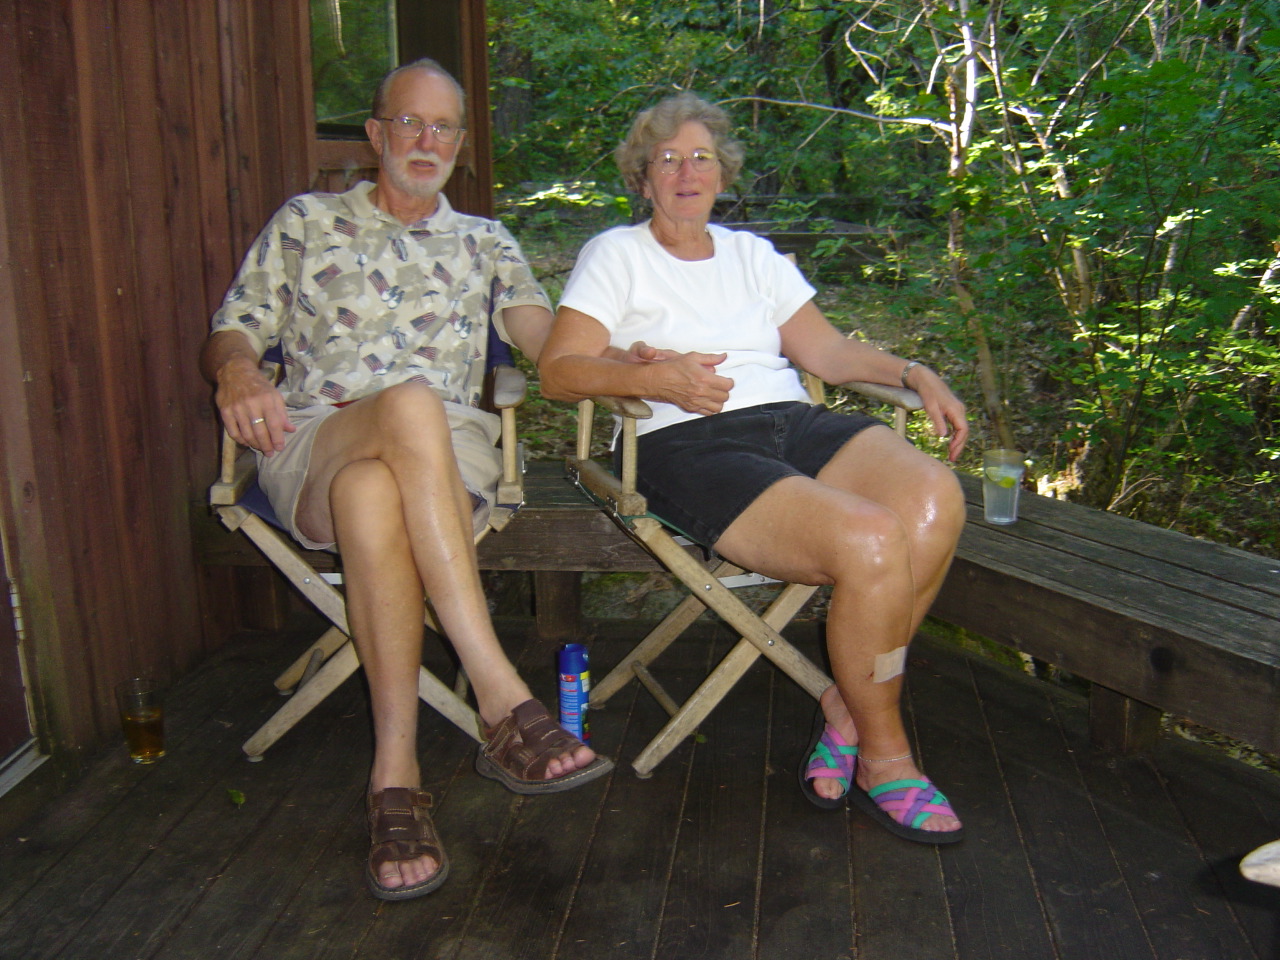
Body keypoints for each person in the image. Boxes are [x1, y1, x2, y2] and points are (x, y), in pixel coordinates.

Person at [200, 58, 611, 900]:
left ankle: (394, 779)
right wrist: (237, 373)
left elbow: (547, 341)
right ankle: (498, 691)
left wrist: (633, 359)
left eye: (445, 128)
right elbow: (234, 329)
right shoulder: (305, 222)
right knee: (404, 409)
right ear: (378, 134)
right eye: (411, 124)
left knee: (375, 489)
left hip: (443, 458)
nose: (428, 142)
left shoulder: (487, 243)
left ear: (461, 145)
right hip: (316, 437)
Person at [539, 92, 968, 843]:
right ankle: (886, 755)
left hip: (789, 421)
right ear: (642, 178)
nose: (685, 171)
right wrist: (653, 380)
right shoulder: (617, 255)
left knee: (935, 496)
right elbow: (558, 371)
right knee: (869, 539)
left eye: (700, 156)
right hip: (686, 442)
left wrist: (914, 369)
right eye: (667, 159)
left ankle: (846, 706)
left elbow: (828, 355)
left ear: (722, 172)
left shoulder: (751, 256)